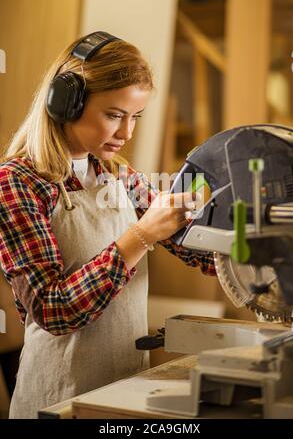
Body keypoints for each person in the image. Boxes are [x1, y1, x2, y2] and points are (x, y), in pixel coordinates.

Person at [0, 31, 216, 418]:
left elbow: (196, 249)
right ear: (65, 103)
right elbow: (53, 310)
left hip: (123, 390)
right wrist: (142, 234)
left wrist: (250, 245)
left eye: (135, 117)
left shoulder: (119, 175)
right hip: (57, 400)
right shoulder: (17, 182)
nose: (127, 133)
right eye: (114, 115)